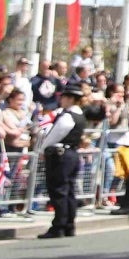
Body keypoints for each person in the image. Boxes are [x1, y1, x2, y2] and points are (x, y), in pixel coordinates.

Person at [37, 83, 94, 239]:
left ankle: (59, 225)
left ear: (70, 99)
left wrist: (43, 149)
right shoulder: (79, 115)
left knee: (59, 191)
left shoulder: (68, 116)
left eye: (63, 97)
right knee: (68, 191)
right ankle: (69, 224)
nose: (61, 100)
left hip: (61, 154)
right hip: (71, 153)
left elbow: (56, 134)